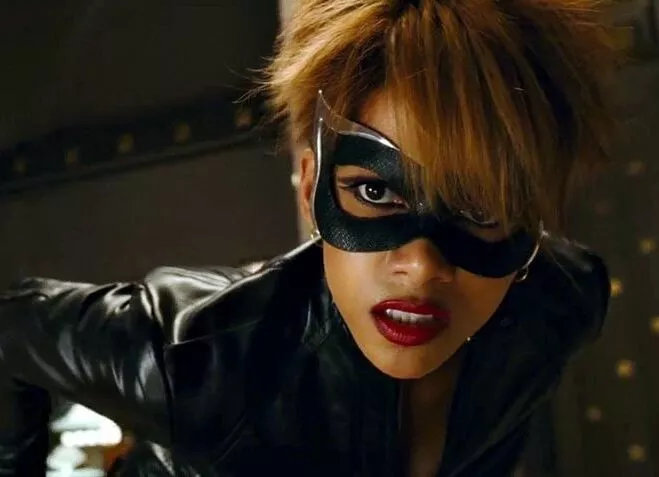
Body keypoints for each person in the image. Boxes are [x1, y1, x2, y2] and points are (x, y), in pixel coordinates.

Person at [0, 0, 619, 476]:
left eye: (479, 206)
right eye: (374, 191)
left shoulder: (559, 304)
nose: (422, 266)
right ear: (310, 190)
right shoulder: (197, 354)